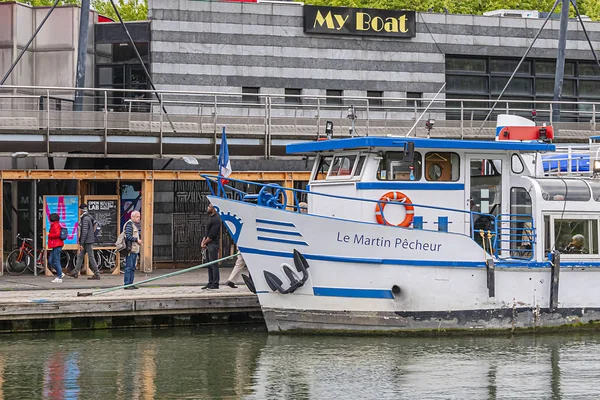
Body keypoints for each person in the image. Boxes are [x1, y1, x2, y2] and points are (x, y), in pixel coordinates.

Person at [68, 203, 101, 280]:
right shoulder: (88, 217)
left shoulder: (85, 218)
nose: (79, 211)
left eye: (79, 209)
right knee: (80, 256)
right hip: (88, 240)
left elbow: (84, 231)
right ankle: (75, 272)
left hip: (87, 241)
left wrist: (81, 242)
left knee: (91, 257)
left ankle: (97, 274)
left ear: (81, 210)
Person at [201, 203, 221, 289]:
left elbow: (212, 234)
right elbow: (207, 232)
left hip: (213, 244)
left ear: (214, 209)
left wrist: (205, 242)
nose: (207, 208)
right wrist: (203, 241)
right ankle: (210, 282)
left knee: (213, 264)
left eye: (209, 206)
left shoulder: (216, 219)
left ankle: (215, 283)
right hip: (208, 243)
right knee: (209, 264)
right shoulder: (210, 218)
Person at [123, 211, 142, 290]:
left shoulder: (133, 225)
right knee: (129, 267)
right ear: (133, 217)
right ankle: (127, 284)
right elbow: (127, 236)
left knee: (133, 267)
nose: (139, 218)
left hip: (134, 249)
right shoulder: (129, 225)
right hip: (130, 249)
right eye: (137, 216)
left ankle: (131, 283)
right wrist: (137, 240)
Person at [47, 213, 65, 283]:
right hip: (55, 245)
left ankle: (59, 277)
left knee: (56, 261)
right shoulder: (54, 225)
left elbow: (57, 234)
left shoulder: (56, 225)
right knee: (50, 261)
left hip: (57, 245)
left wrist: (50, 235)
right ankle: (60, 272)